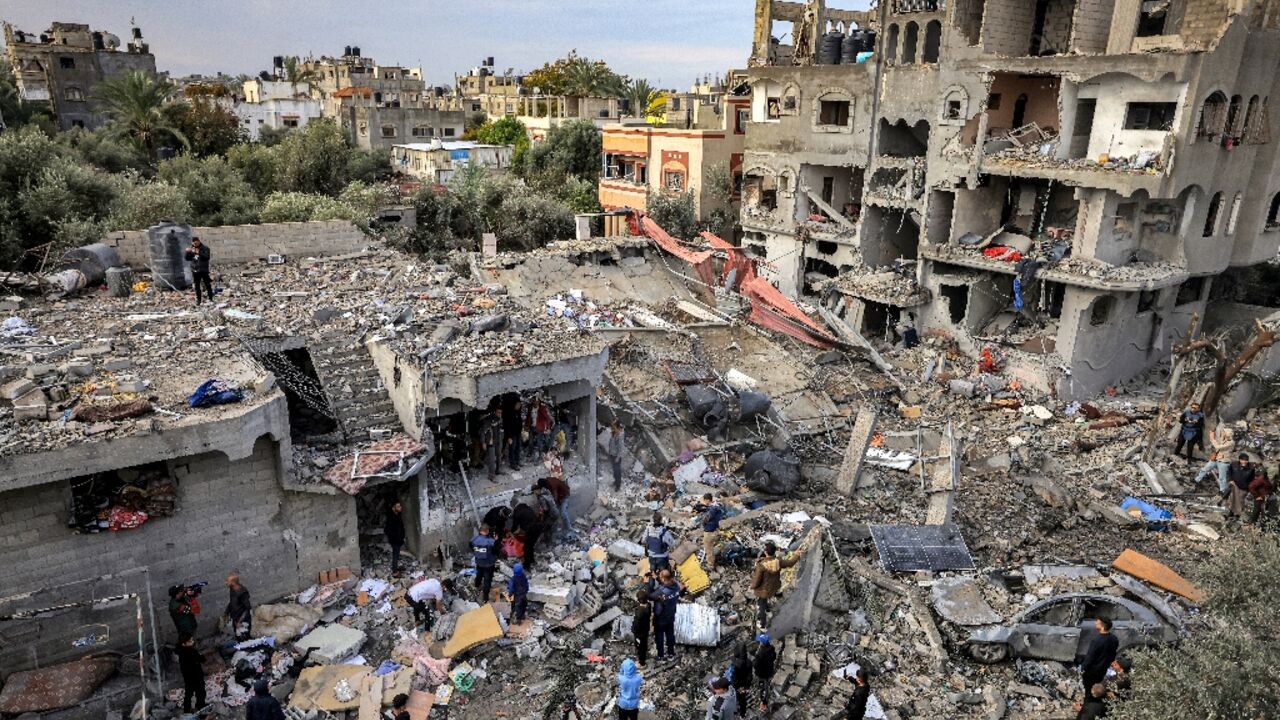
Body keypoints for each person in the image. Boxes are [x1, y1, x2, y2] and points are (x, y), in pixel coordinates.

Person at [751, 540, 800, 624]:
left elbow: (756, 581)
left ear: (766, 552)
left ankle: (762, 625)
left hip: (763, 590)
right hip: (773, 587)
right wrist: (796, 554)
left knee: (761, 604)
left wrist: (752, 586)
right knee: (765, 599)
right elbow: (791, 563)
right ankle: (768, 611)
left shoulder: (761, 565)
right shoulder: (778, 562)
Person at [647, 568, 683, 663]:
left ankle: (661, 657)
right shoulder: (676, 586)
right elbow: (668, 583)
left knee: (659, 637)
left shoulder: (661, 591)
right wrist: (658, 579)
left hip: (660, 618)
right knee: (670, 635)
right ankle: (671, 654)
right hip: (671, 615)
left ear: (663, 579)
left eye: (660, 577)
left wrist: (649, 583)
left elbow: (650, 596)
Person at [1080, 617, 1119, 696]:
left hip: (1093, 671)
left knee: (1089, 690)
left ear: (1102, 626)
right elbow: (1113, 654)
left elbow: (1090, 657)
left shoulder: (1096, 641)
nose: (1095, 623)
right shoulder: (1114, 639)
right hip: (1105, 670)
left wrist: (1083, 668)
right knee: (1101, 689)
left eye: (1097, 623)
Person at [1195, 420, 1235, 493]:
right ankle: (1197, 480)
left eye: (1223, 432)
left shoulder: (1230, 442)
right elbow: (1215, 443)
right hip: (1216, 458)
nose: (1222, 433)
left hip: (1223, 461)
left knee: (1222, 478)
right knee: (1205, 468)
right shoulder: (1222, 439)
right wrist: (1211, 437)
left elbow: (1218, 446)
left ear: (1227, 434)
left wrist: (1213, 439)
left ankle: (1223, 491)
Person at [176, 633, 206, 714]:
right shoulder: (191, 652)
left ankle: (186, 712)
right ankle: (202, 711)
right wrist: (200, 656)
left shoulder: (180, 651)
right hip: (195, 675)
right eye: (190, 641)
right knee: (200, 693)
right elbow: (202, 659)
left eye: (192, 640)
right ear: (184, 643)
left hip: (187, 676)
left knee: (188, 694)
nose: (193, 642)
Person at [693, 493, 724, 570]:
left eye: (704, 500)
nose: (703, 501)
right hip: (714, 529)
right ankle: (712, 561)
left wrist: (700, 516)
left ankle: (710, 565)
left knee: (708, 548)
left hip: (710, 531)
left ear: (707, 500)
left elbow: (705, 519)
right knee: (710, 547)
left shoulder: (712, 509)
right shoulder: (715, 507)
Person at [539, 469, 573, 537]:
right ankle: (563, 526)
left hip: (564, 496)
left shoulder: (551, 484)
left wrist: (553, 504)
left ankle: (569, 528)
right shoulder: (548, 481)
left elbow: (555, 495)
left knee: (563, 513)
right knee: (559, 513)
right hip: (561, 496)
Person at [511, 497, 542, 570]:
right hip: (538, 528)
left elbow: (515, 525)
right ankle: (532, 560)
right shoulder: (527, 507)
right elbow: (529, 519)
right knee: (530, 545)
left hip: (531, 530)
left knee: (526, 548)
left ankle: (527, 566)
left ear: (513, 506)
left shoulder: (517, 512)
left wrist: (512, 532)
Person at [471, 524, 498, 602]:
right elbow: (496, 551)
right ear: (488, 531)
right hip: (488, 564)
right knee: (487, 580)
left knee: (479, 574)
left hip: (479, 562)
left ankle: (477, 586)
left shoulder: (474, 539)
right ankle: (485, 597)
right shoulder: (491, 541)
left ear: (480, 531)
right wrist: (496, 541)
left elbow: (471, 547)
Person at [752, 633, 777, 714]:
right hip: (769, 670)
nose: (759, 643)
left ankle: (764, 703)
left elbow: (756, 665)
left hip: (762, 674)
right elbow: (774, 658)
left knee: (763, 688)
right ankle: (765, 697)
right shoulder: (772, 648)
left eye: (760, 641)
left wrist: (756, 656)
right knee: (766, 683)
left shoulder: (760, 654)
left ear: (762, 643)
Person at [184, 237, 213, 306]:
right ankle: (199, 300)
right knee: (197, 286)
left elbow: (207, 257)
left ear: (199, 241)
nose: (195, 244)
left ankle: (210, 298)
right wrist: (187, 252)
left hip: (203, 270)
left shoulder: (205, 248)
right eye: (193, 243)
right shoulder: (192, 249)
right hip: (195, 270)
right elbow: (187, 259)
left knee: (207, 284)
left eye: (196, 242)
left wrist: (198, 252)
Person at [223, 573, 251, 641]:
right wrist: (226, 613)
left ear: (233, 582)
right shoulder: (232, 588)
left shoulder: (242, 592)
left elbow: (247, 608)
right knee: (238, 636)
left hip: (242, 620)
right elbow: (232, 602)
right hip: (235, 617)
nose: (225, 582)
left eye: (227, 581)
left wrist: (240, 621)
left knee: (244, 637)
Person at [1227, 453, 1255, 518]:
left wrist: (1249, 487)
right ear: (1239, 460)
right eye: (1242, 460)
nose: (1244, 462)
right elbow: (1229, 472)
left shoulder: (1251, 468)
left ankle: (1238, 514)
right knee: (1232, 498)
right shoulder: (1234, 464)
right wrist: (1230, 480)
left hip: (1244, 487)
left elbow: (1252, 478)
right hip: (1234, 485)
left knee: (1240, 500)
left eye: (1246, 460)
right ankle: (1231, 512)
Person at [728, 643, 753, 713]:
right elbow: (750, 676)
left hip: (737, 686)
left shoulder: (735, 665)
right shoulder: (749, 662)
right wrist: (747, 686)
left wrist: (736, 686)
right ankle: (742, 713)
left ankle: (736, 710)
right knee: (742, 700)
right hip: (744, 684)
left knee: (736, 698)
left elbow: (733, 678)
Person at [632, 587, 652, 668]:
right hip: (645, 629)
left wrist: (634, 631)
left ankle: (642, 663)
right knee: (643, 645)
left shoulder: (639, 613)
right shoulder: (648, 605)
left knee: (640, 647)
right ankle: (642, 658)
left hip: (639, 633)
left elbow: (636, 625)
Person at [385, 501, 407, 575]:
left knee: (397, 554)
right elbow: (387, 530)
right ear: (393, 508)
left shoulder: (397, 515)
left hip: (399, 539)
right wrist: (395, 537)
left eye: (400, 506)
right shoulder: (391, 518)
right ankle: (395, 571)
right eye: (398, 506)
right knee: (395, 554)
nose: (400, 508)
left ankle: (396, 568)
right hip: (395, 540)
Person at [482, 408, 503, 481]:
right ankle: (491, 475)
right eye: (498, 412)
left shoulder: (499, 419)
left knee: (499, 456)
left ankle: (498, 470)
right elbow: (482, 432)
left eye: (500, 413)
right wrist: (483, 442)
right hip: (490, 441)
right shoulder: (488, 419)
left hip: (497, 440)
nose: (500, 414)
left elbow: (499, 430)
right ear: (494, 412)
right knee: (491, 459)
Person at [505, 398, 524, 470]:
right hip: (512, 434)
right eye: (517, 404)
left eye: (520, 404)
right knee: (512, 449)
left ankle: (517, 461)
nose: (519, 406)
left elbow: (519, 423)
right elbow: (508, 426)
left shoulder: (518, 412)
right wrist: (509, 436)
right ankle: (512, 463)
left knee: (518, 448)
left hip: (518, 433)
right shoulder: (510, 413)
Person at [607, 420, 626, 490]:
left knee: (617, 471)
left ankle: (618, 485)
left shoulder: (620, 437)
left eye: (614, 428)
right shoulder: (614, 433)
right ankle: (615, 481)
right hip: (612, 454)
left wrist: (617, 458)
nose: (613, 429)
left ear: (618, 428)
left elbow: (621, 449)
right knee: (615, 471)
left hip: (616, 457)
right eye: (613, 427)